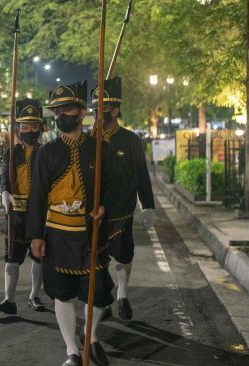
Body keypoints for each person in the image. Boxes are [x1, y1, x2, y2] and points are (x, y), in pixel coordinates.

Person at [26, 81, 119, 366]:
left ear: (81, 112)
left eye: (66, 109)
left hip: (91, 233)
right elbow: (37, 197)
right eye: (55, 111)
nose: (59, 115)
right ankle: (72, 351)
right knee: (62, 295)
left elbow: (114, 186)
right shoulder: (47, 152)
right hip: (57, 234)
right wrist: (35, 236)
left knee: (100, 295)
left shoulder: (99, 148)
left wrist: (103, 205)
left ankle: (90, 337)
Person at [92, 77, 155, 321]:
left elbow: (141, 173)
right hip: (96, 211)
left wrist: (147, 205)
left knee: (123, 257)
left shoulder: (130, 140)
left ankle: (123, 294)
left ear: (115, 109)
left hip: (122, 210)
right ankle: (103, 298)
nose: (100, 112)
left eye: (104, 107)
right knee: (97, 259)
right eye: (96, 107)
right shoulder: (90, 139)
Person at [0, 98, 45, 315]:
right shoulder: (11, 152)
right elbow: (4, 174)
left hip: (38, 212)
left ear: (40, 127)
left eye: (33, 126)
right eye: (25, 126)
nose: (29, 130)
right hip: (15, 212)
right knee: (11, 257)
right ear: (18, 128)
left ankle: (34, 295)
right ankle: (9, 299)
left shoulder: (46, 151)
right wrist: (4, 191)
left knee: (38, 256)